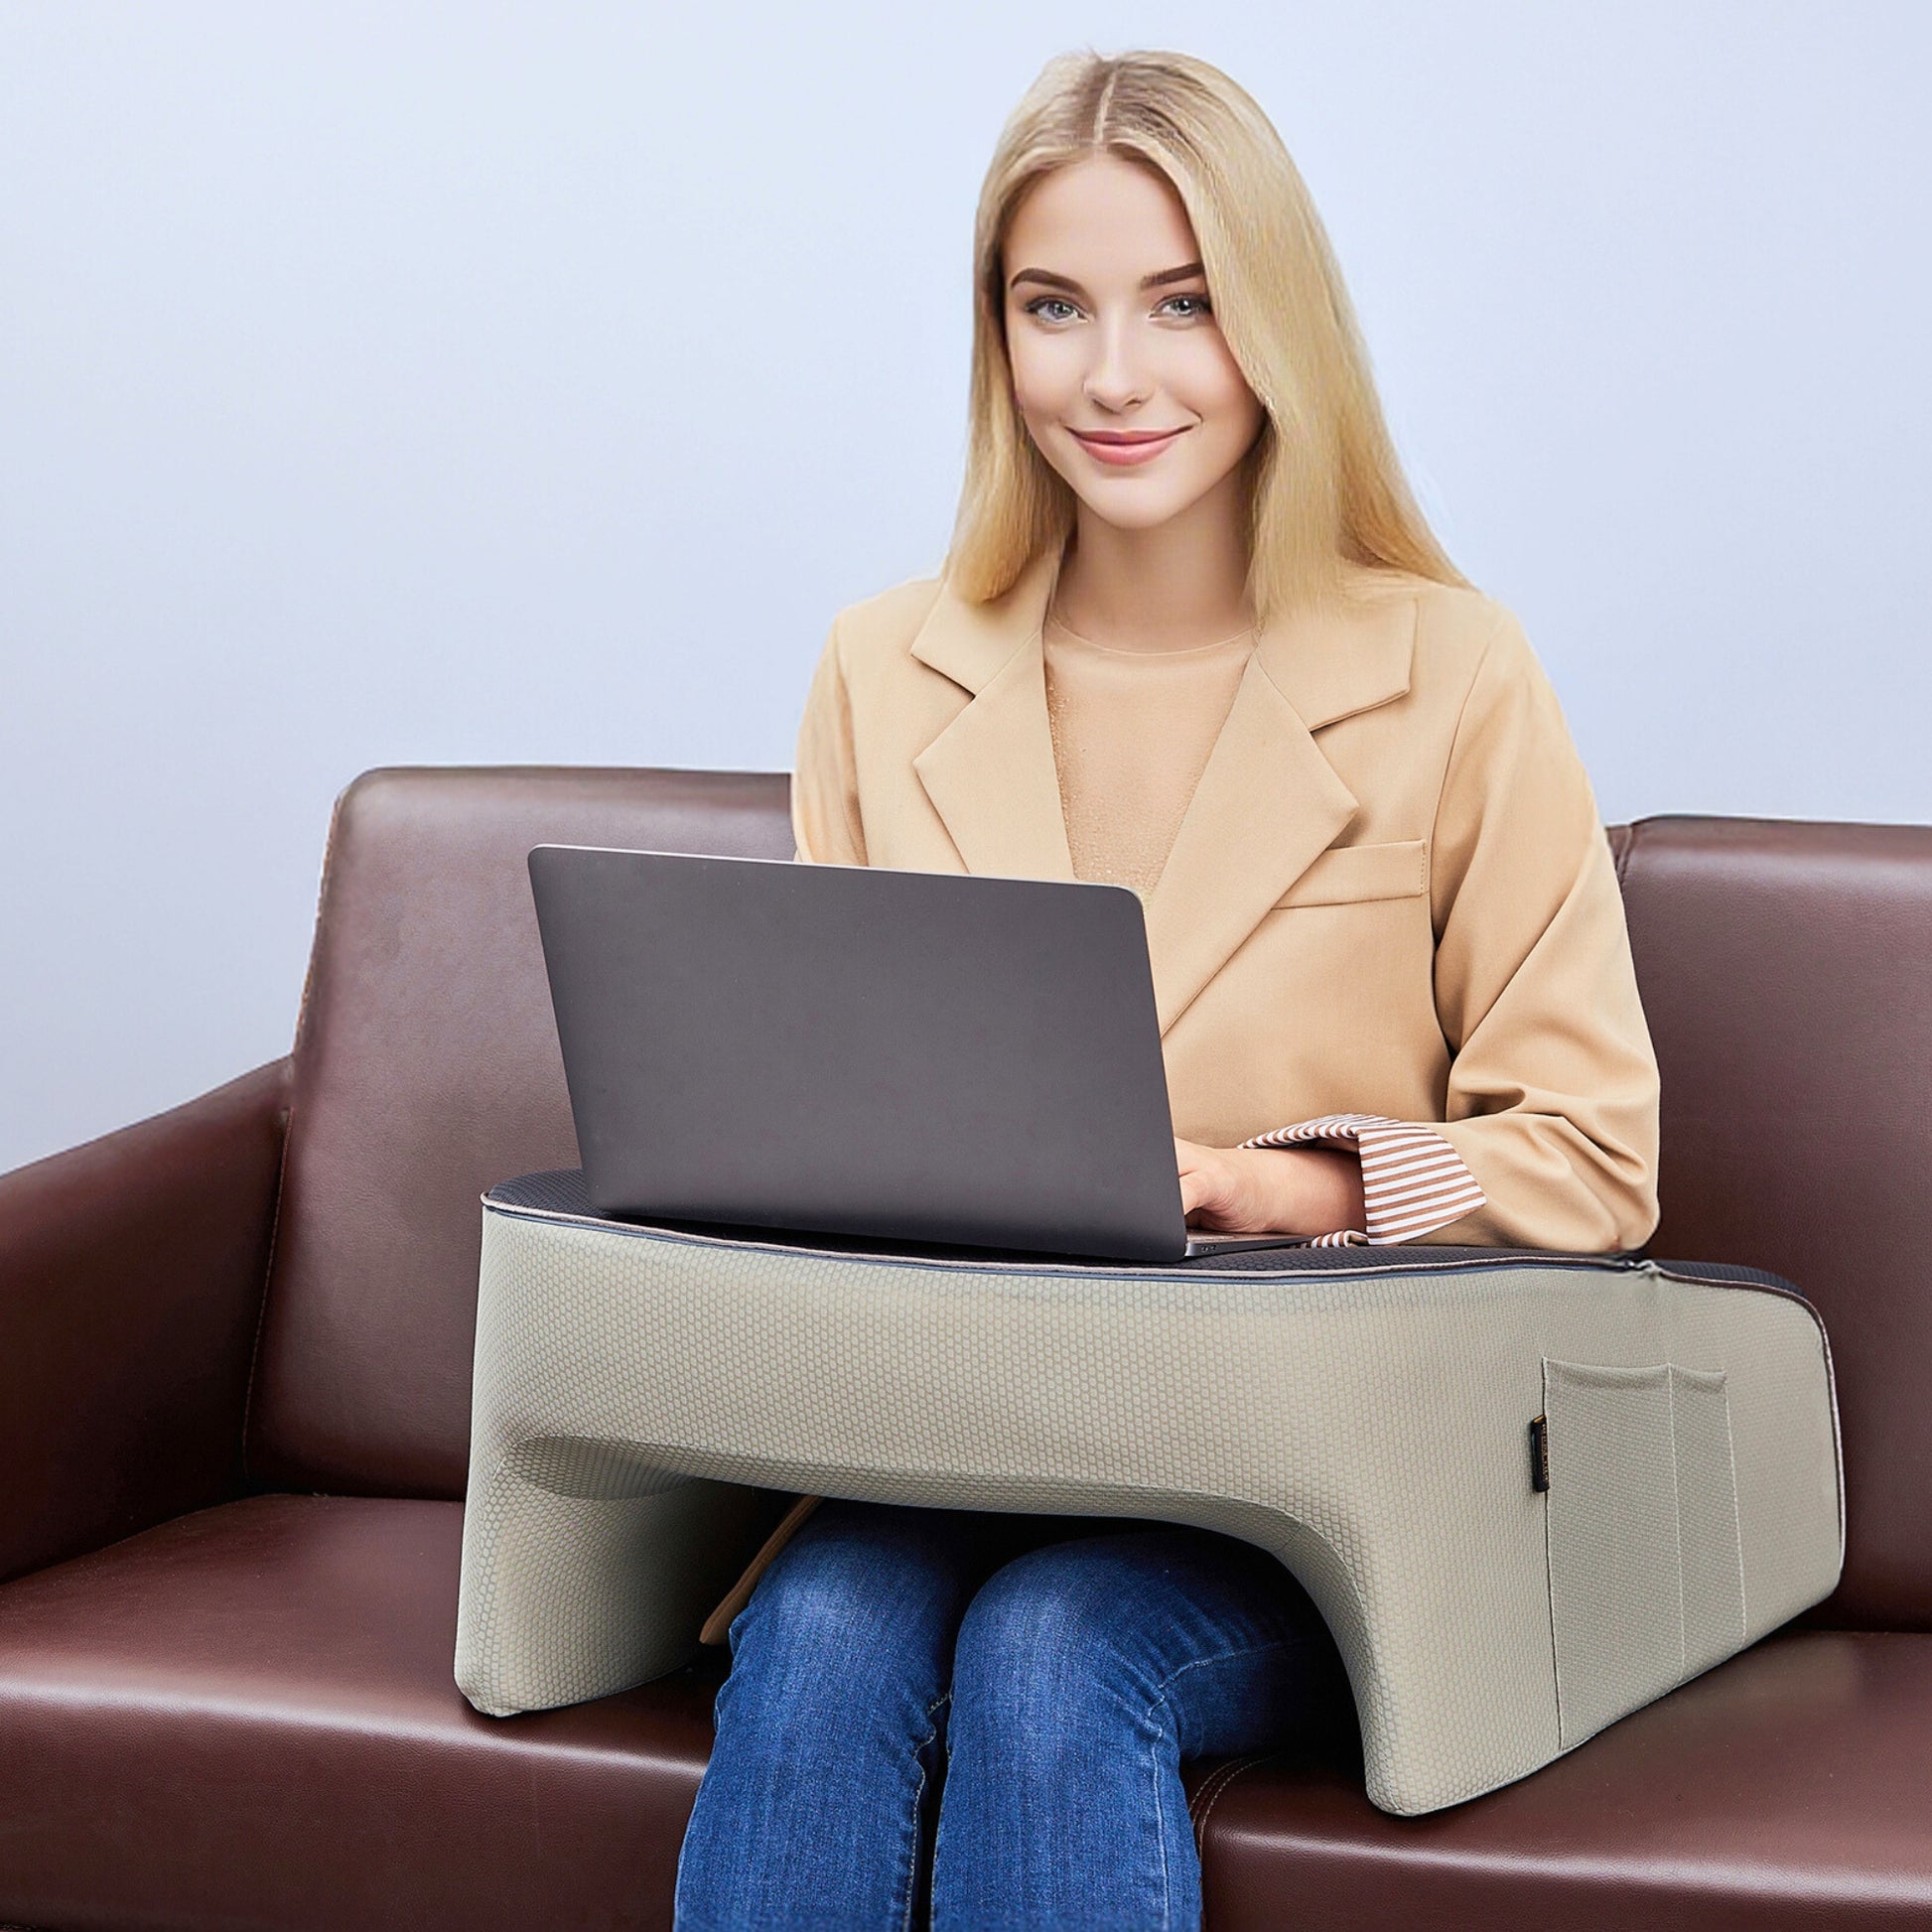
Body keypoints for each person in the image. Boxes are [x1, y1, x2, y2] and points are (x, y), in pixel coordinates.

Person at [672, 46, 1660, 1931]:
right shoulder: (882, 672)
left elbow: (1594, 1161)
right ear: (997, 337)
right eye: (1055, 307)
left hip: (1302, 1473)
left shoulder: (1450, 671)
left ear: (1271, 320)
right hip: (959, 1434)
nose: (1113, 377)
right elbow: (849, 1124)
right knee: (814, 1627)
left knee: (1057, 1645)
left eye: (1183, 305)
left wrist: (1293, 1184)